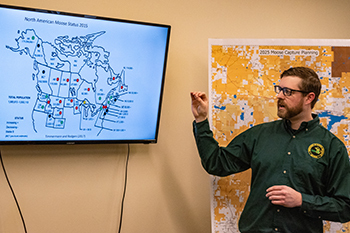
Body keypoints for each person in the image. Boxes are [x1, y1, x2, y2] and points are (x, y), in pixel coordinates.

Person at [191, 67, 350, 233]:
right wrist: (201, 120)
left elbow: (345, 207)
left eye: (288, 91)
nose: (279, 96)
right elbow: (217, 164)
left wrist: (302, 200)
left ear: (309, 98)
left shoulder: (332, 147)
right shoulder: (259, 135)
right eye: (279, 89)